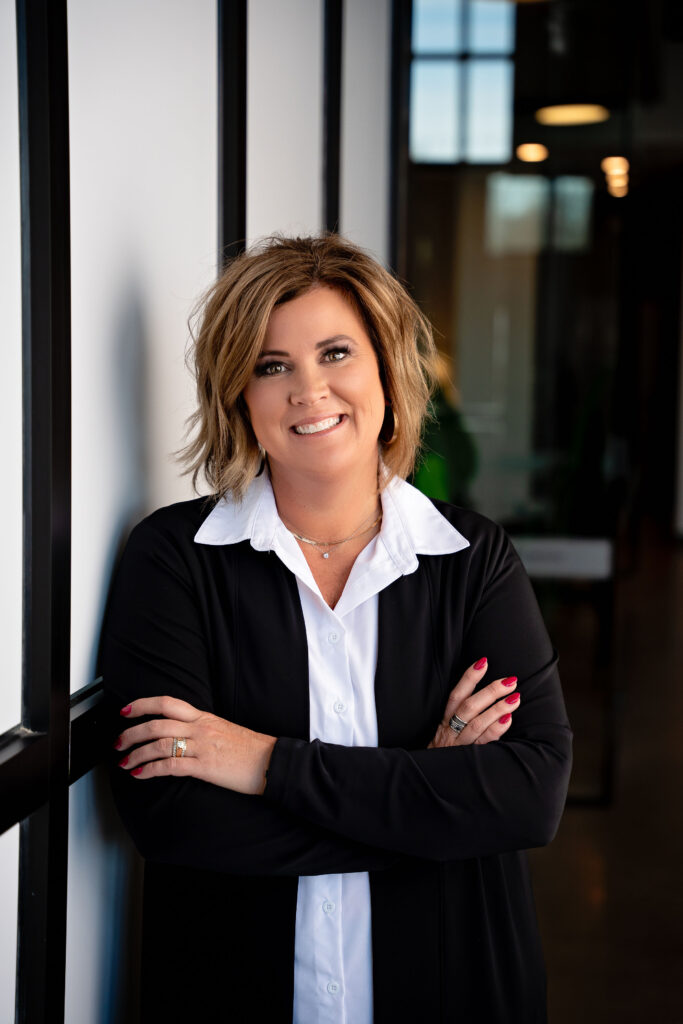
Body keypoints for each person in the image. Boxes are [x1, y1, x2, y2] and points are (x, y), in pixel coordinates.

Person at [101, 234, 572, 1024]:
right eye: (270, 365)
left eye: (334, 353)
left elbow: (527, 799)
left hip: (456, 988)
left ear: (387, 370)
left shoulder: (471, 559)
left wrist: (262, 763)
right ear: (237, 397)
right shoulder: (174, 559)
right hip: (229, 992)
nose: (307, 391)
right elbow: (173, 820)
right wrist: (427, 794)